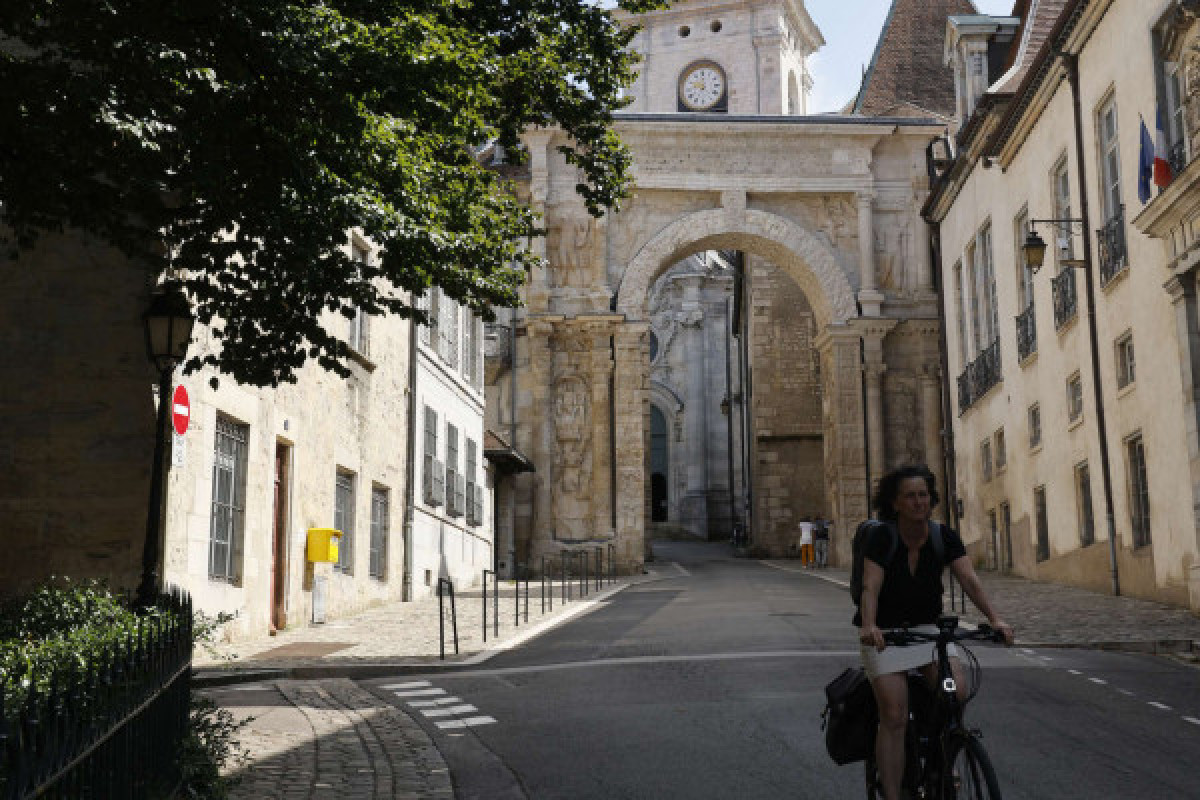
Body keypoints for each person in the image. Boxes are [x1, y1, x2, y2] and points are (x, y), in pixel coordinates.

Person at [856, 465, 1014, 800]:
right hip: (886, 633)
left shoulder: (944, 536)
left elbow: (969, 580)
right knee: (895, 714)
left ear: (932, 499)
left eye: (923, 495)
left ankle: (948, 754)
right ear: (895, 503)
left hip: (927, 629)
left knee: (955, 693)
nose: (918, 502)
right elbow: (871, 586)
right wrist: (869, 625)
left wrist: (995, 618)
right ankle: (893, 794)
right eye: (910, 496)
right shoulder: (883, 537)